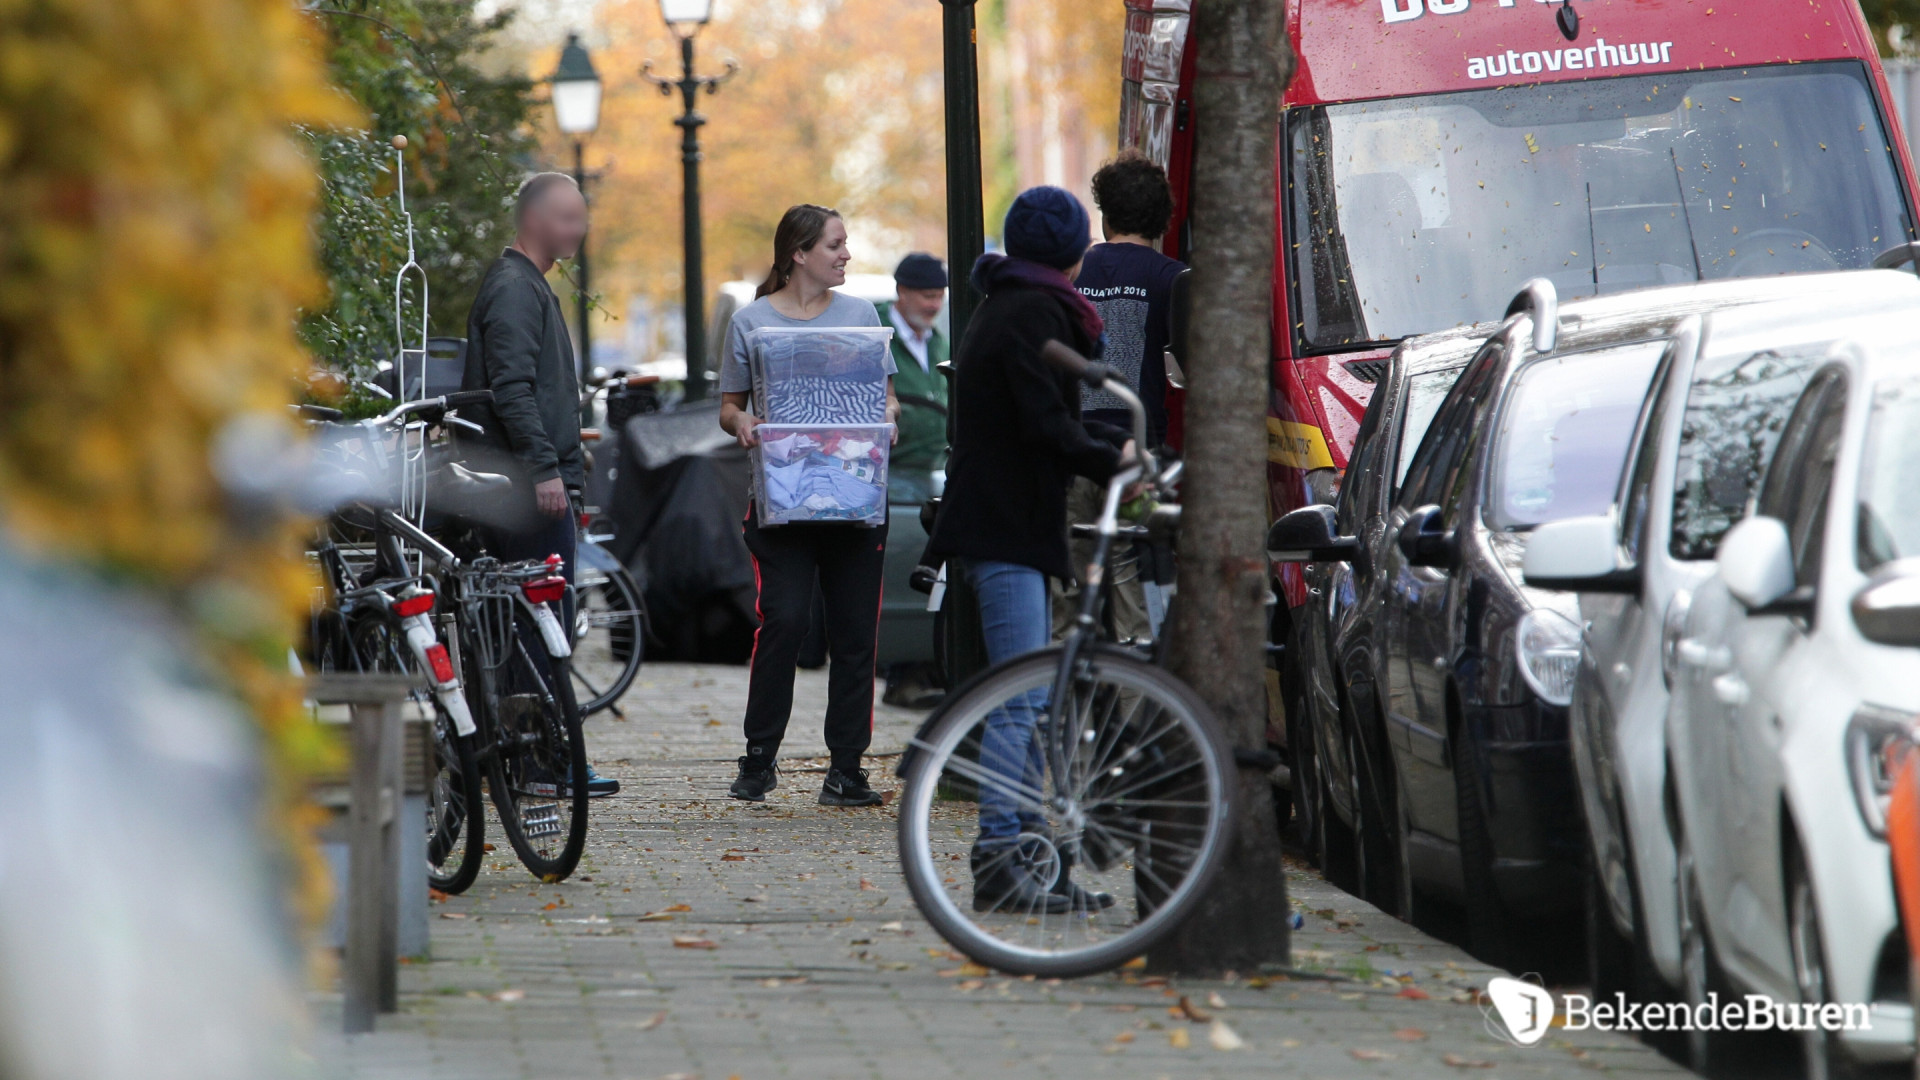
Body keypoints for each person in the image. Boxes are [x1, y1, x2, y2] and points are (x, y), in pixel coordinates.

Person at [926, 186, 1135, 913]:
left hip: (1005, 521)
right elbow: (1045, 425)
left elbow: (1040, 418)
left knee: (1033, 699)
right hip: (1006, 525)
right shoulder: (1034, 313)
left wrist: (1108, 445)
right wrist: (1115, 460)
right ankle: (1000, 859)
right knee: (1021, 701)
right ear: (1073, 252)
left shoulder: (1010, 303)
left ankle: (1033, 860)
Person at [719, 204, 900, 808]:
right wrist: (743, 423)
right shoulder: (750, 322)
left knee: (855, 632)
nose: (846, 254)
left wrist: (889, 418)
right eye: (835, 245)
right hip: (781, 498)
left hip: (856, 496)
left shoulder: (862, 316)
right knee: (786, 620)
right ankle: (759, 755)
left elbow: (887, 398)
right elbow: (729, 407)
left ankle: (845, 769)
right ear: (798, 253)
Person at [459, 171, 618, 797]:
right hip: (524, 490)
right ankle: (539, 766)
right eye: (568, 217)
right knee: (538, 627)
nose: (581, 228)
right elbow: (511, 389)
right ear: (533, 220)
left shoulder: (526, 285)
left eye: (582, 216)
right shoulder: (515, 289)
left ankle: (537, 761)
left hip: (525, 482)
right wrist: (544, 470)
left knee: (537, 624)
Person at [1054, 151, 1186, 645]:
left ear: (1104, 213)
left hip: (1073, 451)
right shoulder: (1173, 278)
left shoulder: (1070, 274)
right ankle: (1134, 690)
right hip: (1136, 457)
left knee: (1067, 594)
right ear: (1162, 219)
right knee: (1136, 599)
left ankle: (1060, 686)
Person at [877, 252, 950, 503]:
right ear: (902, 291)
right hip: (890, 473)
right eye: (928, 296)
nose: (935, 306)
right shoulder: (875, 334)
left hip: (935, 470)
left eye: (940, 296)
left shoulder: (939, 343)